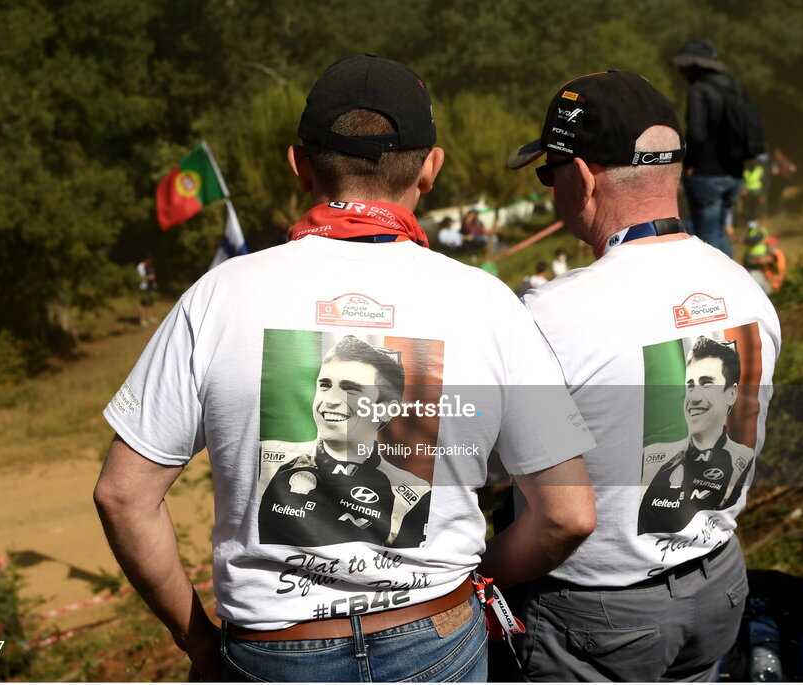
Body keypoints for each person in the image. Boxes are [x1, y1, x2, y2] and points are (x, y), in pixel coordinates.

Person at [95, 53, 596, 682]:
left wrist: (198, 642)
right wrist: (471, 574)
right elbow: (570, 514)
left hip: (272, 653)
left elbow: (123, 495)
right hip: (436, 636)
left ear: (298, 165)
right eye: (327, 383)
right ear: (431, 169)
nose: (333, 400)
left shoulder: (218, 296)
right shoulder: (488, 302)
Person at [507, 69, 781, 681]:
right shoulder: (745, 287)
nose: (552, 188)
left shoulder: (549, 314)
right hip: (719, 581)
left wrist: (486, 568)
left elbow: (506, 470)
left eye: (549, 174)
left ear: (581, 178)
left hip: (601, 613)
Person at [257, 335, 429, 548]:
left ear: (387, 409)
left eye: (351, 390)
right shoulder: (264, 458)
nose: (330, 400)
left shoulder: (415, 494)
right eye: (325, 386)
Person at [638, 337, 751, 534]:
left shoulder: (742, 459)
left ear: (731, 394)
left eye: (707, 384)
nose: (694, 397)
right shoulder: (650, 455)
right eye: (690, 385)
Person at [672, 39, 749, 258]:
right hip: (734, 173)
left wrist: (688, 165)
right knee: (719, 232)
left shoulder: (699, 90)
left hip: (707, 175)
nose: (680, 71)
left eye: (684, 65)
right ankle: (731, 276)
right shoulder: (733, 86)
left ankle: (717, 279)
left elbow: (696, 134)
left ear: (694, 65)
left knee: (707, 238)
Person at [136, 256, 157, 326]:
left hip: (149, 287)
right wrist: (149, 277)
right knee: (143, 304)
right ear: (147, 260)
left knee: (150, 302)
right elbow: (139, 278)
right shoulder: (140, 267)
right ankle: (142, 320)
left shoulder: (148, 266)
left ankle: (150, 317)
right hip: (143, 288)